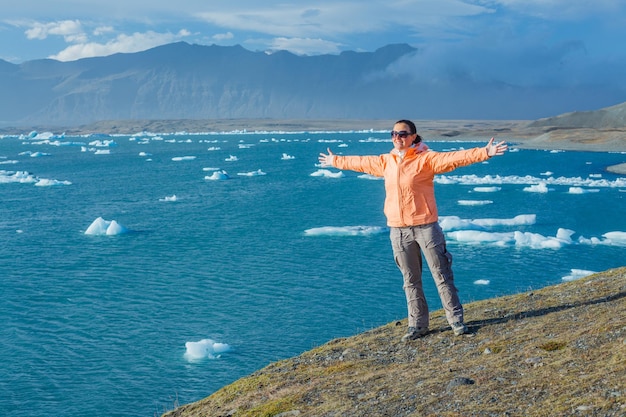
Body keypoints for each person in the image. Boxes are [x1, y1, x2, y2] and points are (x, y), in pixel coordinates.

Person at [318, 119, 508, 341]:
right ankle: (418, 325)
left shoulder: (426, 159)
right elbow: (361, 162)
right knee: (410, 279)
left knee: (442, 275)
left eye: (403, 134)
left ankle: (456, 321)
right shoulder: (385, 162)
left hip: (426, 226)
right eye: (394, 134)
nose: (398, 138)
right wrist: (335, 160)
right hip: (398, 229)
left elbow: (454, 158)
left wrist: (485, 152)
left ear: (414, 136)